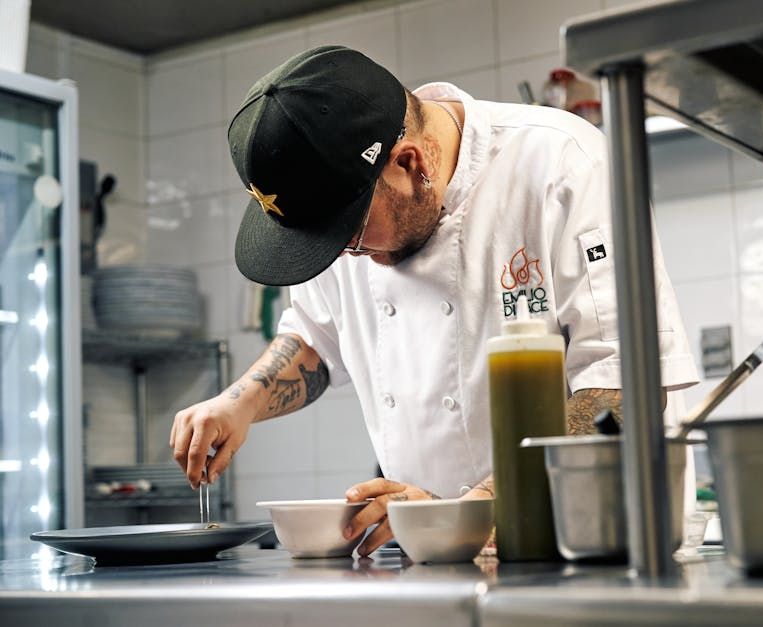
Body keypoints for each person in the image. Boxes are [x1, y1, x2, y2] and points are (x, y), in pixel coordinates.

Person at [170, 45, 699, 557]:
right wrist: (238, 403)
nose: (348, 256)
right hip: (434, 553)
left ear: (411, 164)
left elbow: (621, 387)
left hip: (591, 546)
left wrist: (468, 512)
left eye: (352, 237)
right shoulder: (343, 204)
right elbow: (316, 339)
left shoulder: (564, 164)